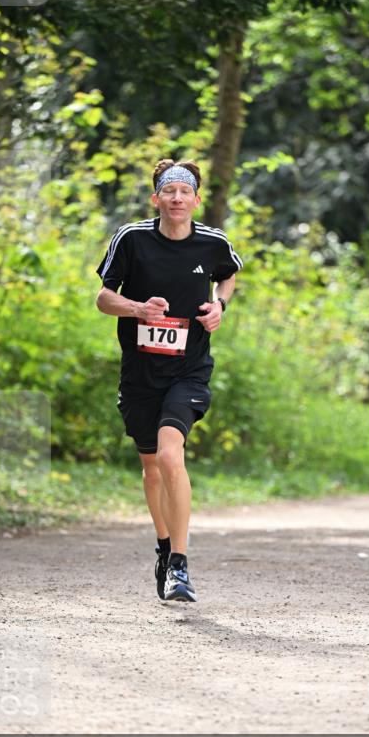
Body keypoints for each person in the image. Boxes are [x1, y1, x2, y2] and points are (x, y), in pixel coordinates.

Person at [95, 159, 242, 604]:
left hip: (189, 369)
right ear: (156, 198)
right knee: (151, 469)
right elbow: (104, 298)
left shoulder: (213, 243)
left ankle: (179, 564)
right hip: (140, 373)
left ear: (196, 200)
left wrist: (220, 305)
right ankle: (163, 547)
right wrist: (138, 309)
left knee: (170, 453)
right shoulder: (132, 239)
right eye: (169, 191)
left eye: (185, 192)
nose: (177, 198)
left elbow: (229, 276)